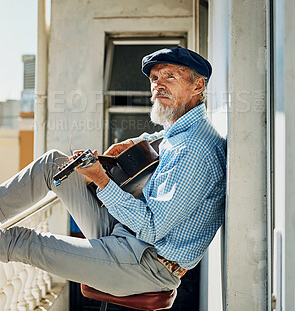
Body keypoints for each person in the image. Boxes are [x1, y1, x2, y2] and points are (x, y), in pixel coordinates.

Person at [0, 47, 226, 296]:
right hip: (127, 234)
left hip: (146, 264)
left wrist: (100, 178)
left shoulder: (194, 150)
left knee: (19, 241)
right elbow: (163, 137)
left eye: (170, 76)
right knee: (54, 164)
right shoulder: (186, 130)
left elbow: (152, 227)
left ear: (198, 86)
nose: (158, 85)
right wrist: (132, 142)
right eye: (154, 78)